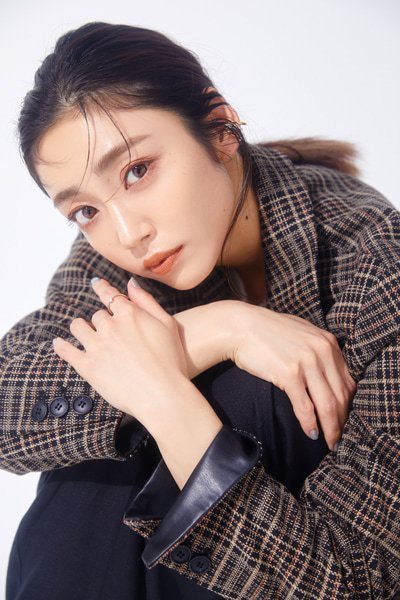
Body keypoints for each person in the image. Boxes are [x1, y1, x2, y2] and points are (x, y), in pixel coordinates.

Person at [2, 21, 399, 600]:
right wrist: (215, 329)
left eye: (137, 170)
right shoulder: (116, 258)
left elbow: (365, 580)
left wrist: (166, 401)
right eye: (85, 211)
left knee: (238, 393)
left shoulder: (378, 269)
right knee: (95, 419)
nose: (128, 233)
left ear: (220, 128)